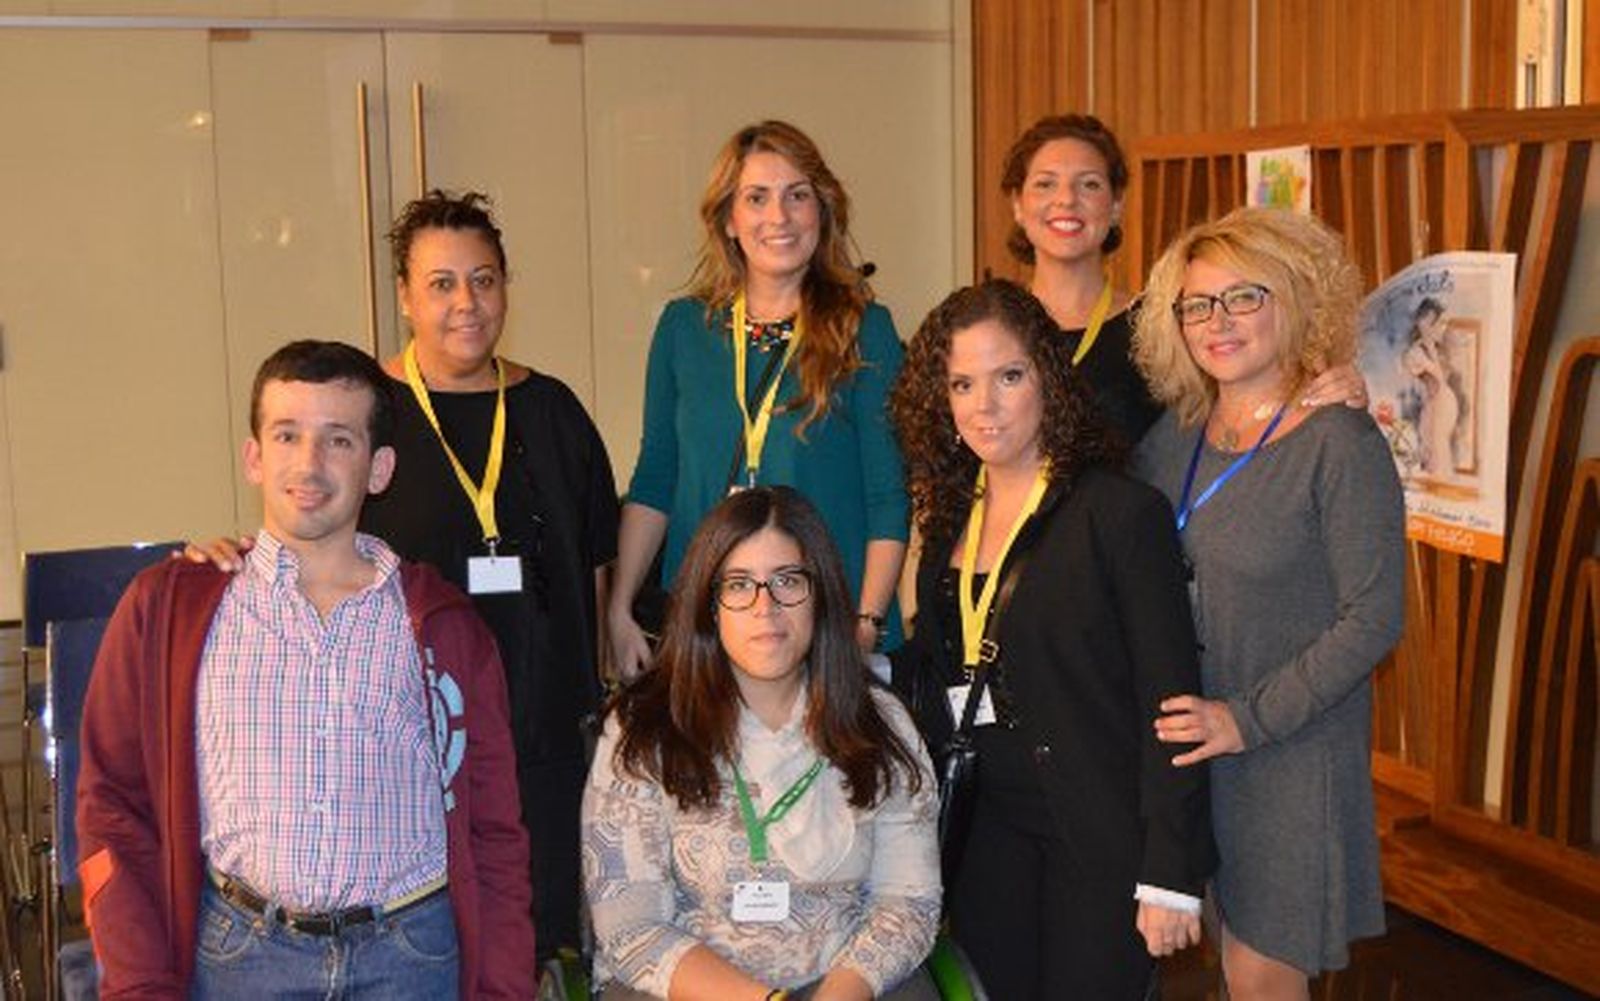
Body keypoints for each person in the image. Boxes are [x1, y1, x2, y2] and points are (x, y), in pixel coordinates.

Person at [189, 191, 619, 961]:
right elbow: (308, 525)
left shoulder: (554, 411)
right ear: (405, 297)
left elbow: (592, 567)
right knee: (449, 945)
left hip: (549, 736)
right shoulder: (366, 416)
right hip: (417, 755)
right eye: (442, 283)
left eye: (484, 279)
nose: (467, 303)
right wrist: (227, 553)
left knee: (542, 937)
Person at [78, 340, 535, 998]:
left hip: (411, 957)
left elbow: (496, 833)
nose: (309, 463)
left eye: (339, 440)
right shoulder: (171, 609)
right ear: (254, 456)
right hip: (240, 955)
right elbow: (113, 809)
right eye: (287, 434)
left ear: (379, 468)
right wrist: (138, 980)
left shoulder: (447, 629)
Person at [888, 279, 1214, 999]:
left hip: (1097, 833)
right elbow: (945, 664)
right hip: (986, 831)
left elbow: (1173, 702)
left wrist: (1170, 871)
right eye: (962, 383)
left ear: (1048, 378)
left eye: (1009, 375)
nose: (986, 404)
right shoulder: (947, 520)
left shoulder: (1120, 513)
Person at [1134, 207, 1406, 1000]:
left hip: (1287, 753)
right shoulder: (1173, 437)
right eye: (1198, 305)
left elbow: (1373, 617)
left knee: (1260, 980)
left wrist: (1244, 719)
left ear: (1294, 300)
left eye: (1243, 297)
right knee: (1220, 966)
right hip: (1190, 751)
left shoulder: (1338, 441)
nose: (1218, 322)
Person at [584, 487, 940, 1001]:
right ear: (708, 604)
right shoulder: (644, 731)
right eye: (739, 585)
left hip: (846, 984)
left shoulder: (881, 724)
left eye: (787, 582)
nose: (765, 607)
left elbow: (907, 903)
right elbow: (630, 928)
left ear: (821, 595)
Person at [608, 120, 909, 677]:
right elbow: (656, 477)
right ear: (728, 218)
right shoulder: (683, 329)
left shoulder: (866, 329)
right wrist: (621, 608)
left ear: (822, 210)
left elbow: (888, 494)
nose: (779, 216)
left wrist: (865, 627)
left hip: (825, 629)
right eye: (757, 198)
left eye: (798, 195)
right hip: (706, 623)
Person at [1000, 113, 1365, 444]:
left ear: (1115, 206)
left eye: (1089, 184)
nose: (1066, 200)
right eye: (1045, 184)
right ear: (1017, 204)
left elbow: (1256, 391)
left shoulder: (1168, 321)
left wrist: (1337, 385)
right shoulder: (990, 328)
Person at [1402, 296, 1461, 478]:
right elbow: (1430, 374)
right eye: (1439, 323)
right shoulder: (1415, 352)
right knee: (1432, 446)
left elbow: (1441, 377)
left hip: (1443, 402)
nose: (1442, 329)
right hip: (1434, 404)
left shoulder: (1434, 349)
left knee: (1438, 446)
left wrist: (1431, 347)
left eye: (1444, 323)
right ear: (1425, 322)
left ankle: (1442, 483)